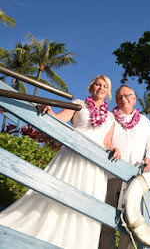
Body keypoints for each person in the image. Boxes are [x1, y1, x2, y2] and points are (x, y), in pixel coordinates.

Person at [0, 75, 120, 248]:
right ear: (91, 87)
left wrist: (114, 149)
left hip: (96, 166)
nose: (101, 88)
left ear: (108, 91)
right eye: (97, 84)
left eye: (104, 86)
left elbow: (106, 142)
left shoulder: (110, 118)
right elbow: (60, 118)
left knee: (88, 203)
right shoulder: (79, 103)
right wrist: (49, 111)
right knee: (58, 192)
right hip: (73, 155)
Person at [99, 85, 150, 249]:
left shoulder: (144, 121)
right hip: (111, 176)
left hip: (135, 179)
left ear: (134, 98)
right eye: (119, 97)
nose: (123, 99)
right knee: (107, 219)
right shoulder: (110, 117)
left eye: (127, 96)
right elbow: (101, 137)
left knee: (132, 221)